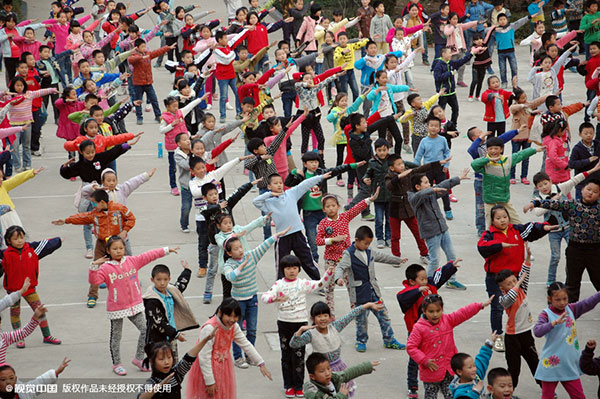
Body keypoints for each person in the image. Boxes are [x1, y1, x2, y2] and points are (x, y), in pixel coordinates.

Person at [89, 236, 179, 376]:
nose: (118, 251)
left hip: (135, 306)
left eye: (121, 248)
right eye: (114, 249)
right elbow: (94, 280)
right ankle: (117, 363)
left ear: (125, 248)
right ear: (108, 250)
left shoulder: (132, 261)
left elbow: (149, 256)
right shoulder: (105, 268)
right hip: (117, 308)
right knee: (116, 337)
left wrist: (166, 250)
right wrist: (95, 265)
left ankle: (138, 359)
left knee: (145, 330)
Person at [478, 204, 553, 351]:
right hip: (496, 278)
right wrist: (500, 245)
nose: (502, 220)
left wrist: (544, 227)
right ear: (492, 221)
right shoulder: (489, 234)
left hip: (515, 278)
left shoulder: (517, 230)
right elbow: (482, 247)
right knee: (497, 307)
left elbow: (531, 228)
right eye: (498, 218)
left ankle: (520, 332)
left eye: (505, 217)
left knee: (519, 306)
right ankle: (498, 335)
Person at [261, 256, 334, 398]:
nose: (292, 271)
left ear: (299, 269)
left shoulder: (302, 283)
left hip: (300, 325)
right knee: (286, 356)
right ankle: (288, 385)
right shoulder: (279, 284)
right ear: (283, 270)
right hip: (284, 324)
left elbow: (320, 284)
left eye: (294, 268)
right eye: (288, 268)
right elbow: (265, 297)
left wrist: (329, 273)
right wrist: (274, 298)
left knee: (299, 356)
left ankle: (298, 386)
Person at [51, 189, 136, 308]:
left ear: (102, 202)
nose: (93, 205)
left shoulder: (119, 208)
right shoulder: (94, 214)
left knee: (124, 268)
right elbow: (82, 217)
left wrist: (125, 231)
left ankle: (129, 293)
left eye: (94, 203)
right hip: (101, 244)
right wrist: (66, 221)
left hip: (117, 244)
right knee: (95, 267)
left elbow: (131, 218)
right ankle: (92, 295)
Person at [223, 228, 290, 368]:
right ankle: (237, 357)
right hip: (237, 302)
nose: (240, 250)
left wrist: (276, 236)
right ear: (229, 253)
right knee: (237, 330)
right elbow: (231, 277)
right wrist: (241, 266)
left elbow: (263, 247)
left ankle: (249, 356)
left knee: (252, 329)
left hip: (252, 298)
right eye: (236, 249)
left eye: (240, 247)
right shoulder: (228, 265)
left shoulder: (250, 256)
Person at [334, 225, 407, 352]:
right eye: (365, 243)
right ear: (356, 240)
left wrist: (398, 260)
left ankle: (389, 339)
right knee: (362, 320)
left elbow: (383, 257)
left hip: (373, 291)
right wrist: (338, 279)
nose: (367, 246)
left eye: (369, 243)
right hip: (360, 294)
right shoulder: (349, 254)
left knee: (384, 315)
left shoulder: (369, 251)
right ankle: (361, 340)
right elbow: (340, 267)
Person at [407, 294, 495, 399]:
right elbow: (411, 347)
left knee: (450, 396)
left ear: (442, 309)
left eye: (438, 311)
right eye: (431, 311)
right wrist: (424, 360)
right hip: (430, 373)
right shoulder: (419, 327)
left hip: (448, 369)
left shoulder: (447, 320)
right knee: (430, 396)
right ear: (424, 311)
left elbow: (463, 313)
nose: (435, 314)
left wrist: (480, 305)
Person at [527, 179, 600, 302]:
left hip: (595, 251)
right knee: (572, 283)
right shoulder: (573, 205)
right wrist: (535, 203)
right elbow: (554, 204)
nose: (591, 193)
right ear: (581, 190)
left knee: (598, 279)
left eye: (595, 191)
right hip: (575, 251)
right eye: (588, 189)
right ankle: (570, 312)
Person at [185, 298, 273, 399]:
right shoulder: (210, 328)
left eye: (235, 316)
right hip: (207, 370)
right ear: (220, 312)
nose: (232, 320)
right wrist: (209, 381)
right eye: (229, 315)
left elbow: (245, 344)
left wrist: (260, 362)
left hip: (223, 368)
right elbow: (204, 357)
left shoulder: (234, 327)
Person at [396, 261, 459, 399]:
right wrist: (417, 290)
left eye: (425, 278)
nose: (426, 281)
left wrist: (451, 266)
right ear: (412, 282)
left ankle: (443, 381)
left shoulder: (429, 286)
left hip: (436, 331)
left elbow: (438, 276)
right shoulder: (408, 294)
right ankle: (412, 387)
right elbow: (401, 297)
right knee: (415, 361)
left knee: (442, 355)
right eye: (422, 279)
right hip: (417, 333)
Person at [285, 151, 362, 263]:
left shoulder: (321, 173)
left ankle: (339, 256)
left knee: (335, 233)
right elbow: (288, 183)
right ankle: (314, 260)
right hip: (308, 213)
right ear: (305, 164)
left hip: (323, 212)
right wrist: (293, 172)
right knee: (312, 239)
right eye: (311, 162)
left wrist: (353, 165)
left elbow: (337, 170)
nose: (314, 164)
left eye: (316, 162)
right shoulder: (301, 176)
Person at [315, 189, 378, 317]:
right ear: (324, 209)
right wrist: (332, 240)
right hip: (331, 261)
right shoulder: (323, 223)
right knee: (329, 287)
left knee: (352, 287)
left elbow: (356, 208)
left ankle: (355, 311)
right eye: (328, 206)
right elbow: (318, 241)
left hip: (347, 259)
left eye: (333, 205)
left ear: (338, 207)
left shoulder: (344, 217)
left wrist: (369, 200)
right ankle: (330, 313)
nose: (331, 208)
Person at [253, 172, 327, 280]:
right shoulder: (268, 202)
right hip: (282, 237)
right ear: (269, 186)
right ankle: (281, 286)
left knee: (308, 260)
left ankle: (318, 282)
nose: (279, 185)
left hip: (297, 234)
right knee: (281, 264)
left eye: (280, 182)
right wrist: (270, 194)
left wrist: (320, 177)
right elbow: (255, 202)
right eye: (275, 183)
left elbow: (305, 184)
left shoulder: (291, 194)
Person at [533, 283, 600, 399]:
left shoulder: (571, 309)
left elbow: (588, 303)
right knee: (547, 396)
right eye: (558, 300)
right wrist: (553, 323)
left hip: (569, 364)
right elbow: (537, 331)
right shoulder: (546, 314)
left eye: (565, 299)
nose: (562, 303)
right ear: (550, 299)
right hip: (551, 364)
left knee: (579, 396)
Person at [408, 168, 470, 289]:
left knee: (452, 256)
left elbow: (443, 185)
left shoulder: (431, 192)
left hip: (442, 228)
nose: (429, 184)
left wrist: (458, 179)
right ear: (417, 186)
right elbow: (420, 195)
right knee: (435, 260)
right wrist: (432, 189)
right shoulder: (413, 198)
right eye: (425, 183)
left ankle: (451, 280)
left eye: (428, 182)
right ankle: (428, 284)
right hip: (431, 233)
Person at [2, 225, 62, 348]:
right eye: (15, 239)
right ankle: (18, 337)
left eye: (22, 237)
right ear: (8, 241)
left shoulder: (32, 249)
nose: (20, 241)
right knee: (15, 314)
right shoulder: (5, 255)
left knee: (40, 311)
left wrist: (59, 240)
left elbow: (47, 244)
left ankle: (47, 336)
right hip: (14, 291)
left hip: (30, 289)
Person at [495, 245, 541, 389]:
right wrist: (519, 282)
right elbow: (512, 294)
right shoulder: (504, 299)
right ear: (502, 288)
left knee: (535, 363)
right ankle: (509, 391)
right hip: (512, 337)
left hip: (526, 334)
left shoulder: (521, 289)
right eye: (509, 283)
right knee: (514, 369)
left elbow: (525, 271)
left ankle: (545, 387)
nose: (514, 284)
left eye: (514, 280)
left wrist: (527, 257)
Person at [471, 136, 542, 224]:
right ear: (487, 150)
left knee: (515, 221)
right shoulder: (485, 163)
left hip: (504, 198)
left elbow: (520, 154)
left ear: (501, 149)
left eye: (496, 148)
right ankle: (490, 237)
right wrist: (488, 159)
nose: (493, 151)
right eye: (491, 148)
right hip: (490, 199)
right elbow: (474, 164)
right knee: (490, 223)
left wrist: (535, 150)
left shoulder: (507, 160)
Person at [142, 262, 198, 363]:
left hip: (171, 337)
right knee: (161, 365)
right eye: (158, 280)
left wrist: (187, 270)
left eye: (165, 279)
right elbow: (159, 323)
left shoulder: (171, 291)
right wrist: (176, 334)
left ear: (169, 279)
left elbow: (181, 284)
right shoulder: (151, 301)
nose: (162, 283)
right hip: (157, 340)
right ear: (152, 280)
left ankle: (172, 378)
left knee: (173, 362)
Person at [137, 330, 215, 399]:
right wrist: (159, 386)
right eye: (161, 359)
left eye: (169, 357)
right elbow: (141, 397)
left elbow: (189, 357)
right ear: (151, 361)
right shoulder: (152, 382)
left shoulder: (176, 374)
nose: (166, 362)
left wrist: (206, 339)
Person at [413, 116, 453, 219]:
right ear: (427, 127)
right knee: (427, 191)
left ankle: (448, 210)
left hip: (440, 169)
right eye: (431, 126)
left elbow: (447, 153)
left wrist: (446, 165)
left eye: (436, 126)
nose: (433, 128)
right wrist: (415, 169)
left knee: (444, 189)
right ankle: (428, 211)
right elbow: (418, 156)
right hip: (427, 170)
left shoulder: (442, 139)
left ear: (440, 128)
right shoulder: (424, 141)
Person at [128, 39, 173, 125]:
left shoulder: (148, 54)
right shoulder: (134, 55)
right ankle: (139, 117)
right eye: (142, 47)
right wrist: (141, 57)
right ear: (137, 48)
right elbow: (131, 60)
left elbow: (157, 52)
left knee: (154, 100)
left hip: (148, 83)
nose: (144, 48)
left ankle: (158, 115)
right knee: (138, 101)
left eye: (145, 46)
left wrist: (167, 48)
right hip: (138, 84)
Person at [303, 352, 379, 399]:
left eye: (329, 368)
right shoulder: (311, 389)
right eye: (322, 371)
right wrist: (341, 395)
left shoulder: (334, 377)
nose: (327, 373)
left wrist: (366, 366)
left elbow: (348, 373)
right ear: (312, 376)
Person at [432, 47, 476, 126]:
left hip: (452, 92)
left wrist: (472, 53)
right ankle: (438, 125)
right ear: (443, 54)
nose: (451, 55)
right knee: (440, 111)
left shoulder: (450, 62)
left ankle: (453, 125)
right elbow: (438, 77)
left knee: (455, 110)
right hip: (443, 93)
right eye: (449, 53)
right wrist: (450, 73)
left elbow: (462, 61)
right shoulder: (438, 65)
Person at [365, 139, 396, 248]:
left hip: (390, 195)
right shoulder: (372, 162)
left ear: (388, 149)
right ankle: (380, 238)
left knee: (389, 219)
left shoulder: (392, 161)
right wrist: (366, 179)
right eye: (379, 150)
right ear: (375, 151)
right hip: (378, 196)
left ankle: (388, 237)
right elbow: (367, 174)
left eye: (384, 150)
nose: (382, 152)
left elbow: (403, 166)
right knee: (379, 219)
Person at [449, 332, 497, 399]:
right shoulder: (459, 392)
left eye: (474, 366)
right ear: (459, 372)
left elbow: (482, 359)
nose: (474, 369)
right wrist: (475, 392)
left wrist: (490, 343)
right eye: (470, 367)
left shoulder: (476, 376)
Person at [0, 358, 70, 399]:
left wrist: (56, 372)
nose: (8, 382)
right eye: (3, 379)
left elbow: (38, 384)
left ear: (15, 379)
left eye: (11, 378)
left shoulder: (23, 391)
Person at [401, 89, 444, 154]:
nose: (421, 101)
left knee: (429, 153)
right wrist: (410, 115)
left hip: (427, 135)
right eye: (418, 100)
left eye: (420, 99)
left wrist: (438, 94)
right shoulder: (410, 112)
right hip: (417, 137)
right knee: (417, 153)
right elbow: (401, 119)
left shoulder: (424, 106)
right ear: (413, 104)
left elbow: (431, 101)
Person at [568, 122, 600, 200]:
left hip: (597, 184)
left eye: (591, 133)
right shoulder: (577, 149)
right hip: (582, 184)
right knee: (581, 207)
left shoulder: (598, 145)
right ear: (580, 134)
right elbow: (572, 164)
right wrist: (587, 161)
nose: (589, 135)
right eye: (586, 133)